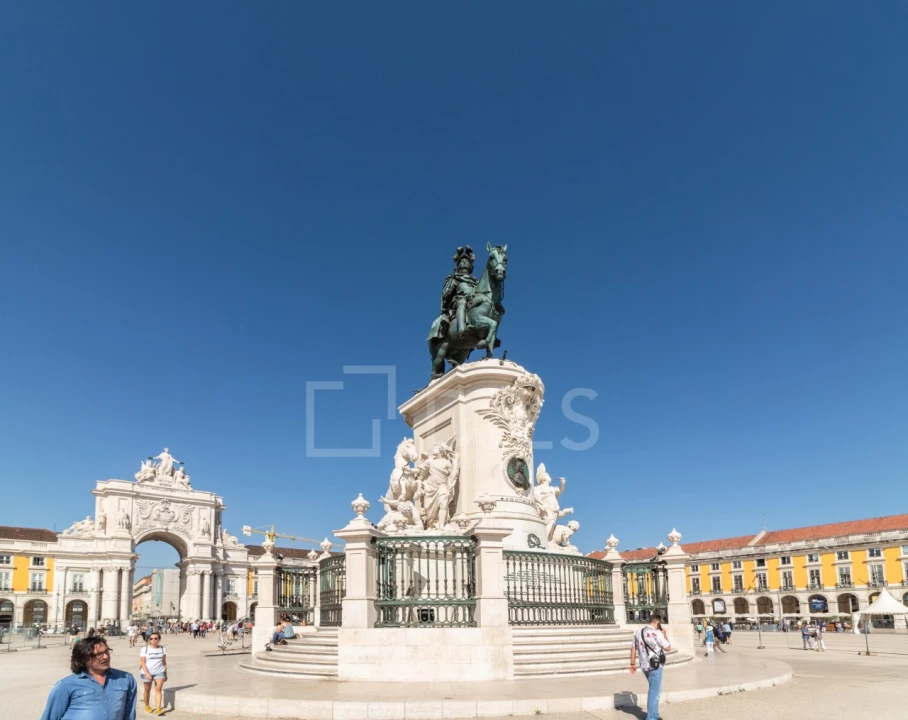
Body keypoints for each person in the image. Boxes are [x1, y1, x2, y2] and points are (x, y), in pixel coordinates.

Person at [41, 636, 137, 720]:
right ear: (85, 658)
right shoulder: (66, 685)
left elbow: (129, 715)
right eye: (99, 654)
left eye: (107, 651)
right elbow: (51, 717)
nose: (105, 657)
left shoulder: (126, 679)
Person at [629, 612, 672, 720]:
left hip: (644, 665)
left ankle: (655, 714)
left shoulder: (638, 632)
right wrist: (664, 634)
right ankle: (651, 717)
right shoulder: (657, 633)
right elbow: (668, 647)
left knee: (655, 690)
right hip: (655, 666)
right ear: (657, 622)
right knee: (654, 692)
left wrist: (632, 663)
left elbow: (633, 648)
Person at [139, 631, 168, 715]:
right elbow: (143, 663)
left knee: (158, 690)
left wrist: (165, 673)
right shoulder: (145, 649)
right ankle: (147, 705)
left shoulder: (163, 649)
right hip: (146, 672)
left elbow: (164, 662)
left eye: (156, 638)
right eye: (151, 639)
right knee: (147, 690)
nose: (153, 640)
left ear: (159, 639)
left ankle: (158, 709)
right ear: (149, 640)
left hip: (159, 672)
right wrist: (147, 673)